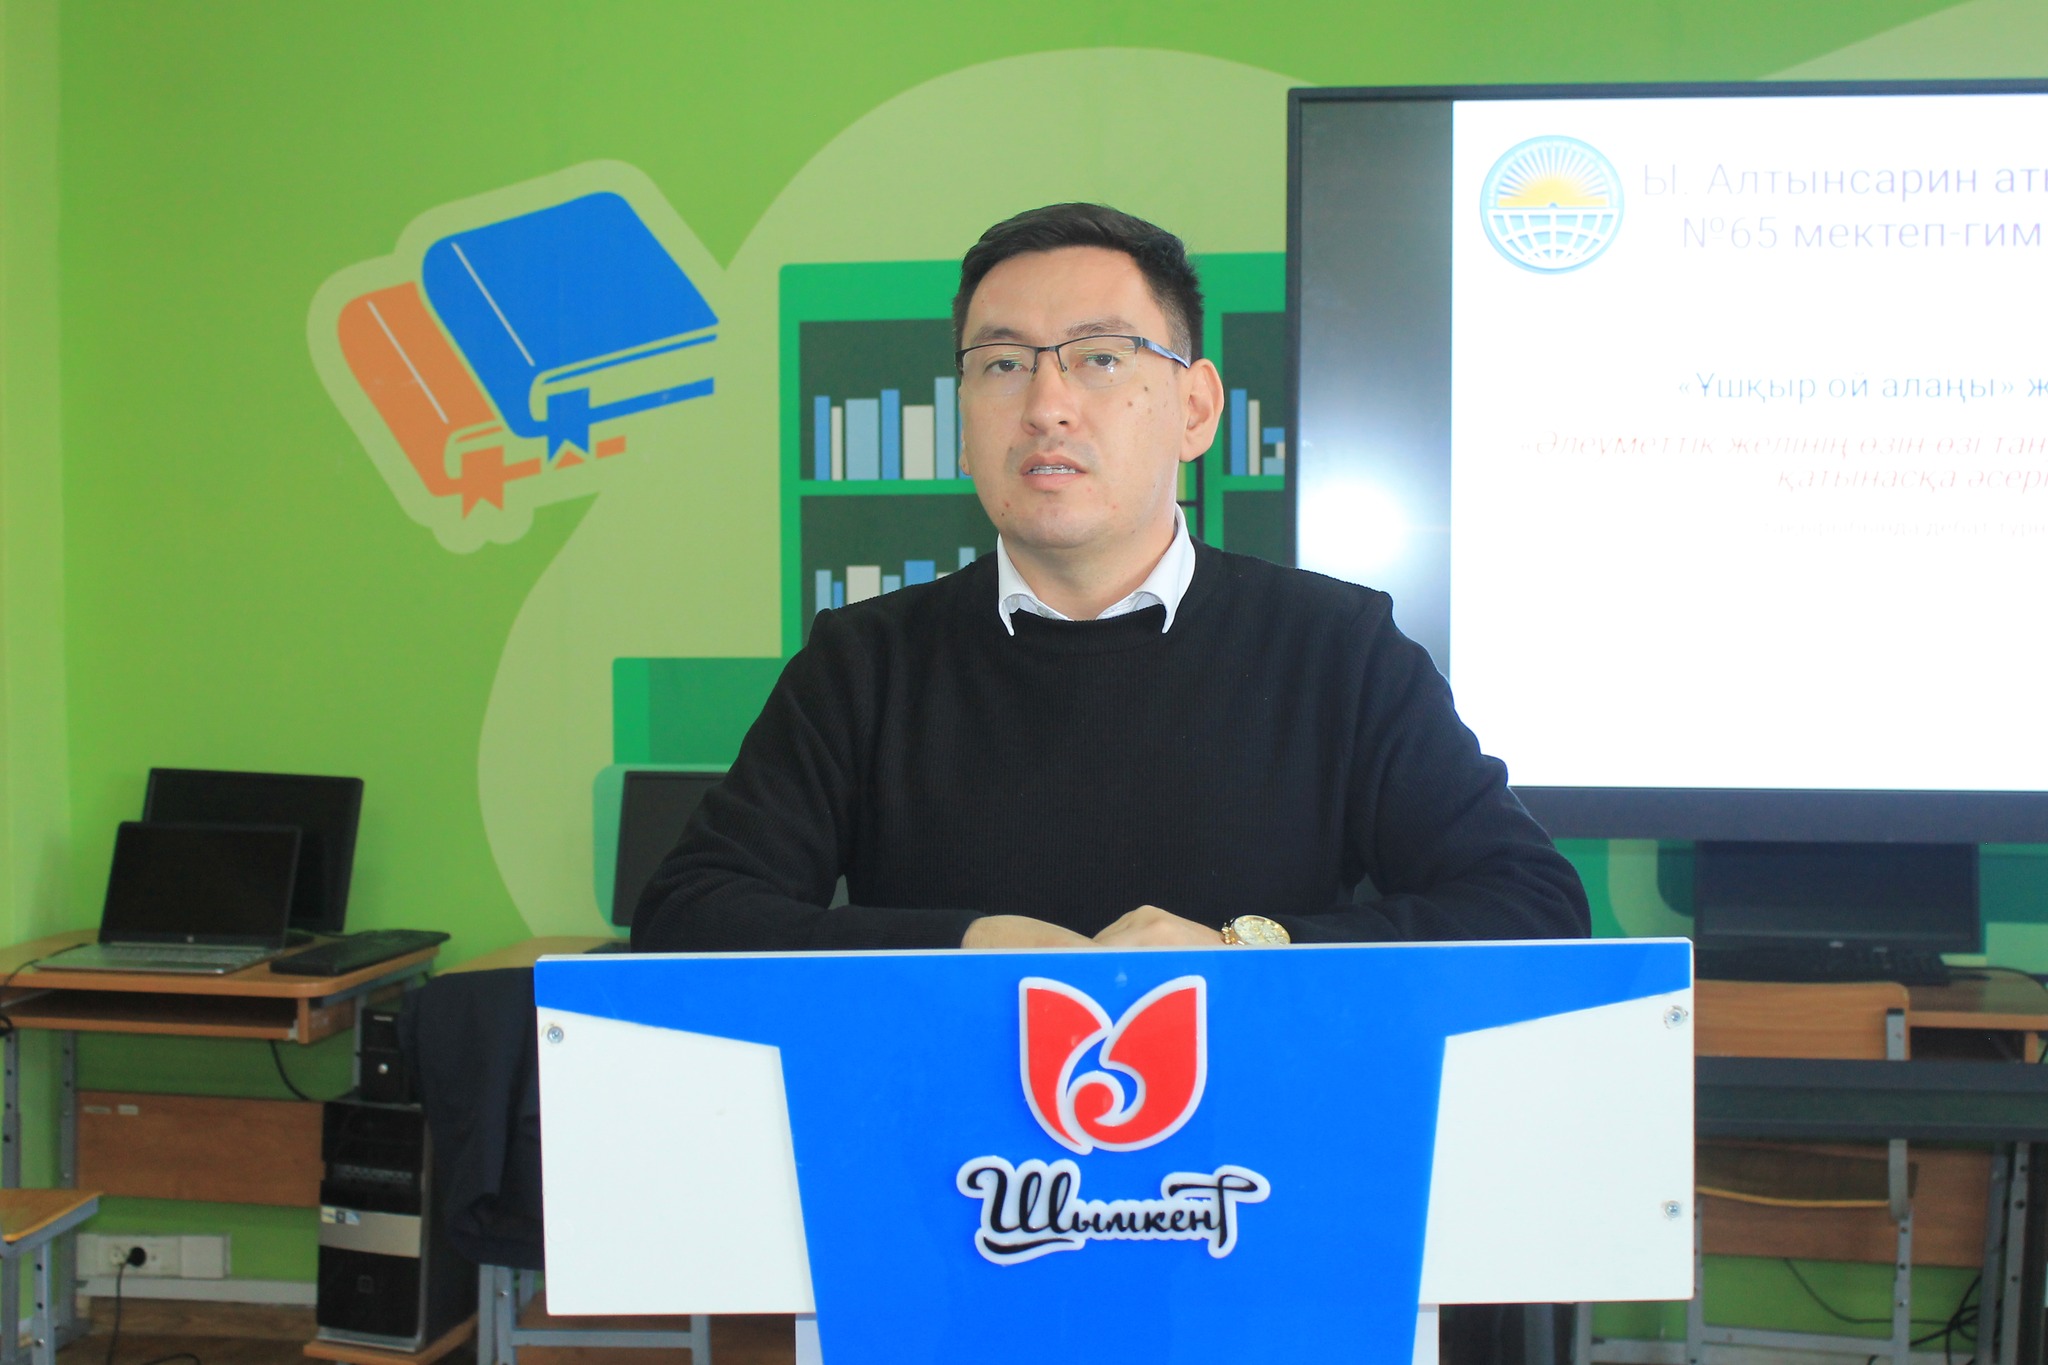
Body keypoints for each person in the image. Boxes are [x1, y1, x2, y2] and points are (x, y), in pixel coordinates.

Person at [631, 203, 1588, 952]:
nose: (1047, 405)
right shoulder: (865, 662)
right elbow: (689, 916)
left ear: (1195, 408)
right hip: (951, 1137)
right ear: (963, 418)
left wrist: (1246, 949)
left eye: (1099, 357)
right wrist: (959, 943)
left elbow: (1531, 904)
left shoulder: (1337, 647)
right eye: (1002, 364)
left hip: (1253, 1135)